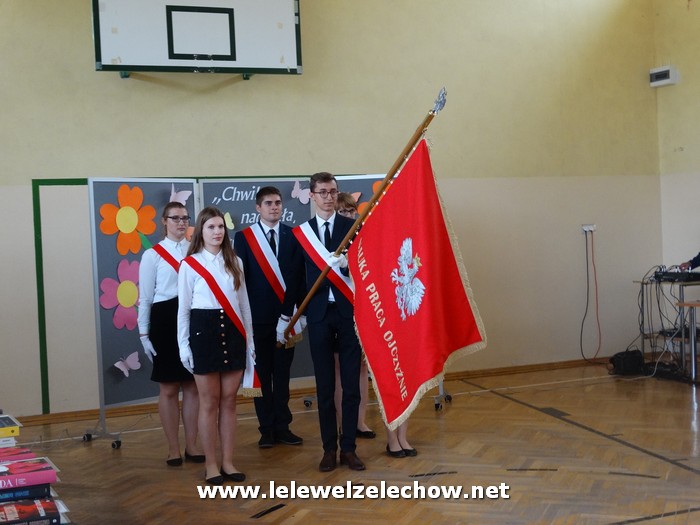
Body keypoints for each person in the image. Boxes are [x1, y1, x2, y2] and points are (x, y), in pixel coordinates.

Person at [293, 172, 365, 472]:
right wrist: (294, 314)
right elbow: (296, 278)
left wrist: (348, 267)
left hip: (348, 314)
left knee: (351, 385)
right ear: (311, 195)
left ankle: (349, 448)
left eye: (332, 191)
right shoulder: (302, 234)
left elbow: (367, 269)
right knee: (324, 386)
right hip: (319, 315)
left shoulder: (353, 228)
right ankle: (329, 449)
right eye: (322, 192)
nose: (328, 197)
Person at [177, 206, 254, 485]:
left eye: (221, 226)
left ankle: (228, 462)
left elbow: (244, 306)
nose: (217, 231)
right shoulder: (190, 264)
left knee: (229, 401)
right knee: (208, 402)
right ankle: (211, 464)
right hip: (203, 335)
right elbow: (183, 310)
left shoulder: (235, 261)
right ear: (201, 230)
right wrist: (183, 346)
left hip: (233, 333)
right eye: (211, 227)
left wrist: (250, 343)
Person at [233, 186, 306, 449]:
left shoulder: (294, 235)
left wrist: (295, 314)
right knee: (262, 375)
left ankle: (283, 427)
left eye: (277, 202)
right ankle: (266, 429)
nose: (274, 207)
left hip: (287, 319)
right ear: (258, 207)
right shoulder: (244, 238)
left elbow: (299, 278)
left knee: (283, 376)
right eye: (268, 203)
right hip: (257, 320)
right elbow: (240, 282)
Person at [138, 202, 204, 467]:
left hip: (192, 318)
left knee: (192, 386)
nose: (180, 223)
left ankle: (192, 445)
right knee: (168, 387)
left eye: (185, 218)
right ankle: (173, 448)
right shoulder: (152, 255)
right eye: (175, 218)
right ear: (164, 221)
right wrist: (144, 334)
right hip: (164, 320)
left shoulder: (197, 251)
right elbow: (145, 298)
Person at [334, 192, 375, 440]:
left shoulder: (364, 238)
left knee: (361, 368)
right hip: (339, 312)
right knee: (340, 369)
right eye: (343, 211)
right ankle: (343, 422)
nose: (349, 215)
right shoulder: (330, 240)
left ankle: (360, 421)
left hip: (362, 310)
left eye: (351, 211)